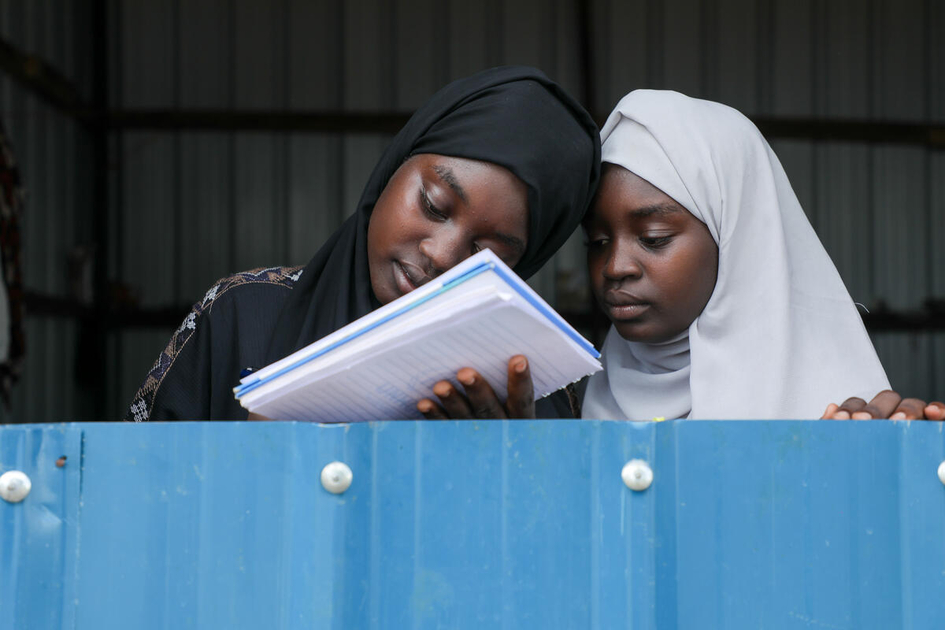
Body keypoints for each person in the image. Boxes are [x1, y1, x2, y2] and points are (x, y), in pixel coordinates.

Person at [124, 66, 600, 422]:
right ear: (395, 165)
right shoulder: (241, 317)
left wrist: (514, 470)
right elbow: (131, 494)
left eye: (487, 254)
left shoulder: (531, 395)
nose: (441, 255)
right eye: (434, 205)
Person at [580, 89, 942, 420]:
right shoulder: (586, 397)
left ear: (737, 235)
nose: (615, 267)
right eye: (597, 241)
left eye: (653, 237)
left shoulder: (843, 416)